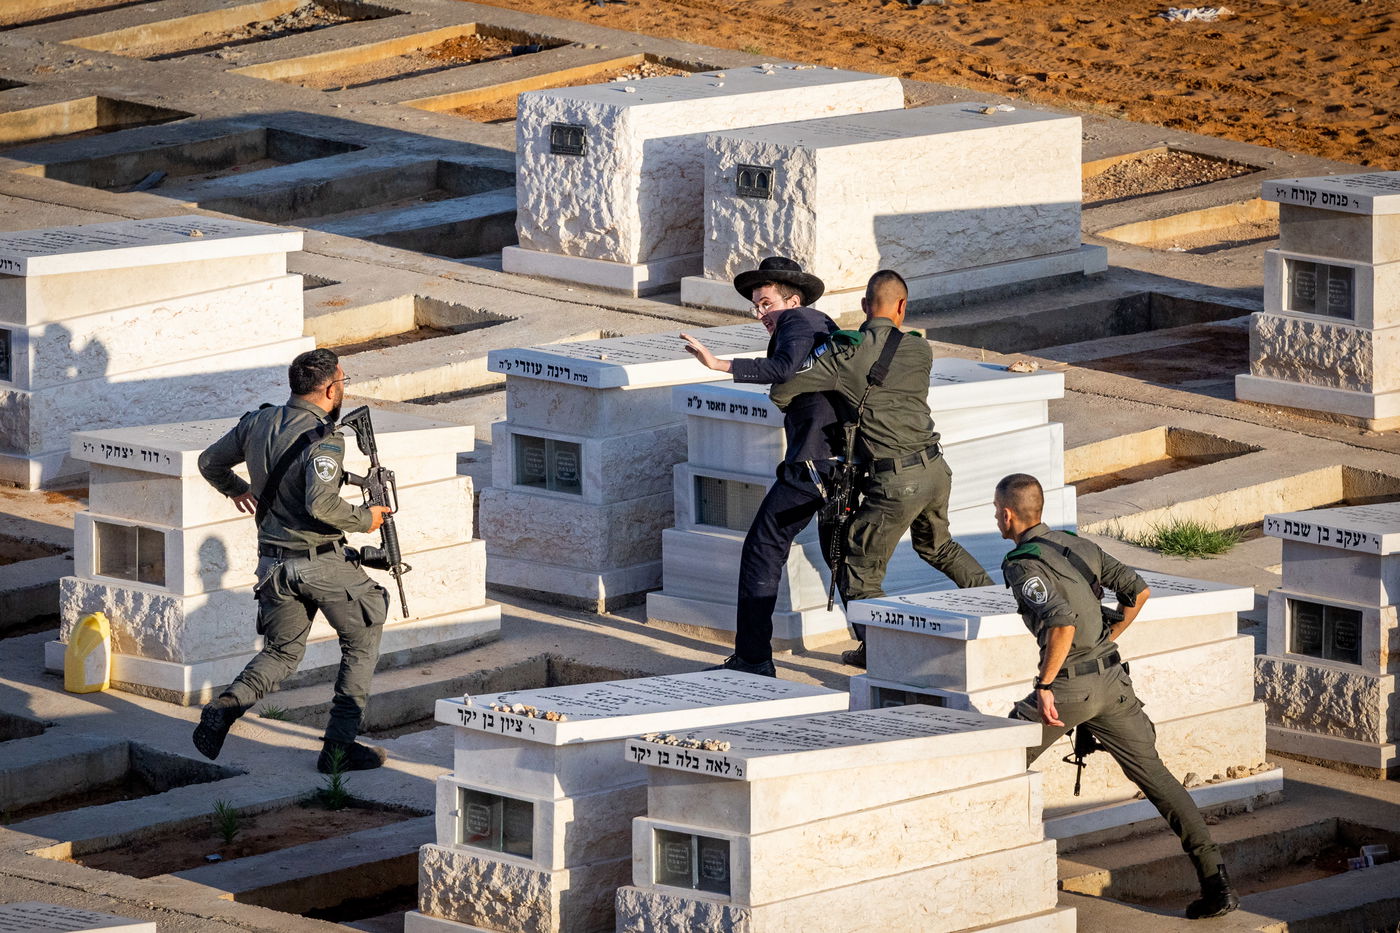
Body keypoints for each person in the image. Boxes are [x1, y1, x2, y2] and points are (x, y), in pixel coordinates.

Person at [994, 472, 1239, 920]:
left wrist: (1045, 686)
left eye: (997, 512)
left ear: (1008, 514)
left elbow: (1061, 623)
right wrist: (1110, 635)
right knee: (1159, 782)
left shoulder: (1022, 563)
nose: (996, 518)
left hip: (1069, 686)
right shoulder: (1077, 545)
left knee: (996, 765)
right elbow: (1138, 590)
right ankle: (1216, 882)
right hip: (1113, 681)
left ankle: (998, 880)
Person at [771, 269, 992, 668]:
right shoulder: (920, 350)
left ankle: (883, 653)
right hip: (935, 469)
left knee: (858, 571)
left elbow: (782, 389)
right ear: (903, 308)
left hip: (894, 482)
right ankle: (1002, 611)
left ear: (863, 307)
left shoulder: (847, 352)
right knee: (939, 547)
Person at [193, 348, 393, 773]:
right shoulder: (326, 439)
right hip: (318, 560)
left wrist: (235, 488)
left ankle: (226, 707)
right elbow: (321, 504)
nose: (344, 387)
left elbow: (209, 462)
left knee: (282, 653)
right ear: (330, 388)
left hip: (272, 565)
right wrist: (366, 519)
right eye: (343, 380)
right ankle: (338, 747)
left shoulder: (257, 422)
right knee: (364, 631)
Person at [681, 257, 841, 677]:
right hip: (834, 463)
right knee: (844, 558)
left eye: (765, 303)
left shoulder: (798, 321)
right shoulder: (821, 325)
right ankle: (878, 646)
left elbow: (784, 369)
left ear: (791, 299)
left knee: (762, 548)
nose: (760, 314)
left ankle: (753, 658)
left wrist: (719, 365)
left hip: (812, 463)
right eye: (756, 306)